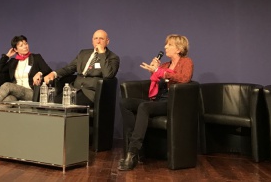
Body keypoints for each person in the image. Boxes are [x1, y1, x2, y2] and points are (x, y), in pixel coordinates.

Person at [118, 34, 193, 171]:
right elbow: (158, 80)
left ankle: (132, 152)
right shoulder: (165, 64)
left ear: (178, 49)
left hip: (173, 102)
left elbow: (185, 78)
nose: (165, 47)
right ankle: (137, 150)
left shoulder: (186, 62)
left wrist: (161, 72)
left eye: (169, 45)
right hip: (159, 100)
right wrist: (154, 71)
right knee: (125, 103)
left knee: (144, 106)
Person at [43, 29, 120, 106]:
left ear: (107, 41)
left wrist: (102, 54)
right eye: (96, 38)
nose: (98, 41)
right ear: (92, 41)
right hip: (74, 89)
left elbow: (108, 75)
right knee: (53, 102)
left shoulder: (112, 57)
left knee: (68, 105)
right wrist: (54, 74)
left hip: (89, 93)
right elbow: (70, 68)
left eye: (101, 39)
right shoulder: (83, 53)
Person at [0, 35, 52, 114]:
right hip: (15, 92)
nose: (25, 46)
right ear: (16, 49)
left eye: (26, 44)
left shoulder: (36, 58)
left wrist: (39, 73)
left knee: (7, 85)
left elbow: (48, 70)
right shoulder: (13, 62)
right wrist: (7, 56)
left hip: (31, 92)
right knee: (4, 104)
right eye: (21, 45)